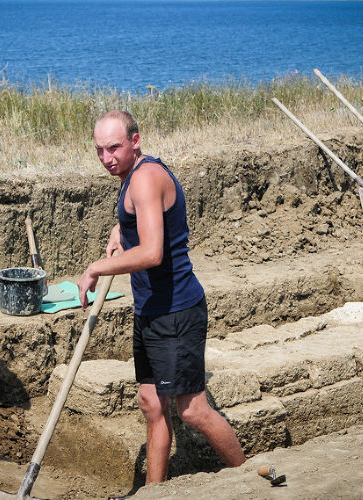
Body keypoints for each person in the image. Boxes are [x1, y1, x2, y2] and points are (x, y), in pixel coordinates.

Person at [78, 111, 246, 483]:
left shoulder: (145, 178)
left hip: (176, 311)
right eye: (100, 150)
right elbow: (147, 219)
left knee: (192, 411)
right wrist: (121, 229)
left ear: (135, 141)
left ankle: (247, 476)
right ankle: (156, 492)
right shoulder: (133, 177)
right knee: (151, 403)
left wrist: (96, 268)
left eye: (114, 148)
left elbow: (153, 252)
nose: (107, 158)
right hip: (151, 311)